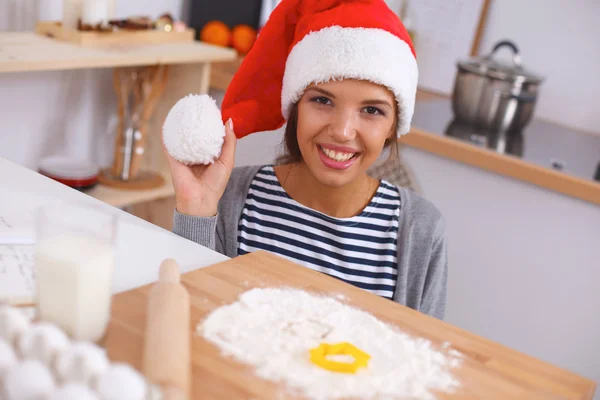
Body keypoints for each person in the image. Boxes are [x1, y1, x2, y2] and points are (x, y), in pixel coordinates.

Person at [166, 0, 448, 319]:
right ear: (295, 107)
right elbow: (185, 320)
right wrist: (196, 208)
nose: (342, 131)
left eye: (372, 110)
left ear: (394, 126)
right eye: (322, 100)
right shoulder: (232, 201)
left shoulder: (420, 231)